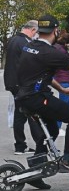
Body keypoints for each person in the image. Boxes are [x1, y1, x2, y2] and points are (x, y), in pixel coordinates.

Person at [15, 15, 69, 173]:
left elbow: (41, 74)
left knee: (53, 130)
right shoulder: (51, 53)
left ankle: (37, 169)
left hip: (25, 97)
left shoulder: (30, 46)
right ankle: (68, 159)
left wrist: (62, 89)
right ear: (55, 31)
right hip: (38, 98)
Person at [4, 21, 44, 157]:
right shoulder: (24, 43)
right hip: (21, 84)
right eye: (37, 32)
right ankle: (34, 144)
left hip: (13, 83)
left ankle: (21, 145)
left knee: (20, 113)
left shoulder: (14, 40)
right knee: (28, 113)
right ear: (33, 30)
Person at [52, 32, 69, 135]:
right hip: (64, 79)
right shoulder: (61, 50)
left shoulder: (57, 47)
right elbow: (67, 64)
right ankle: (57, 128)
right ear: (66, 42)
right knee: (63, 106)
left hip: (62, 78)